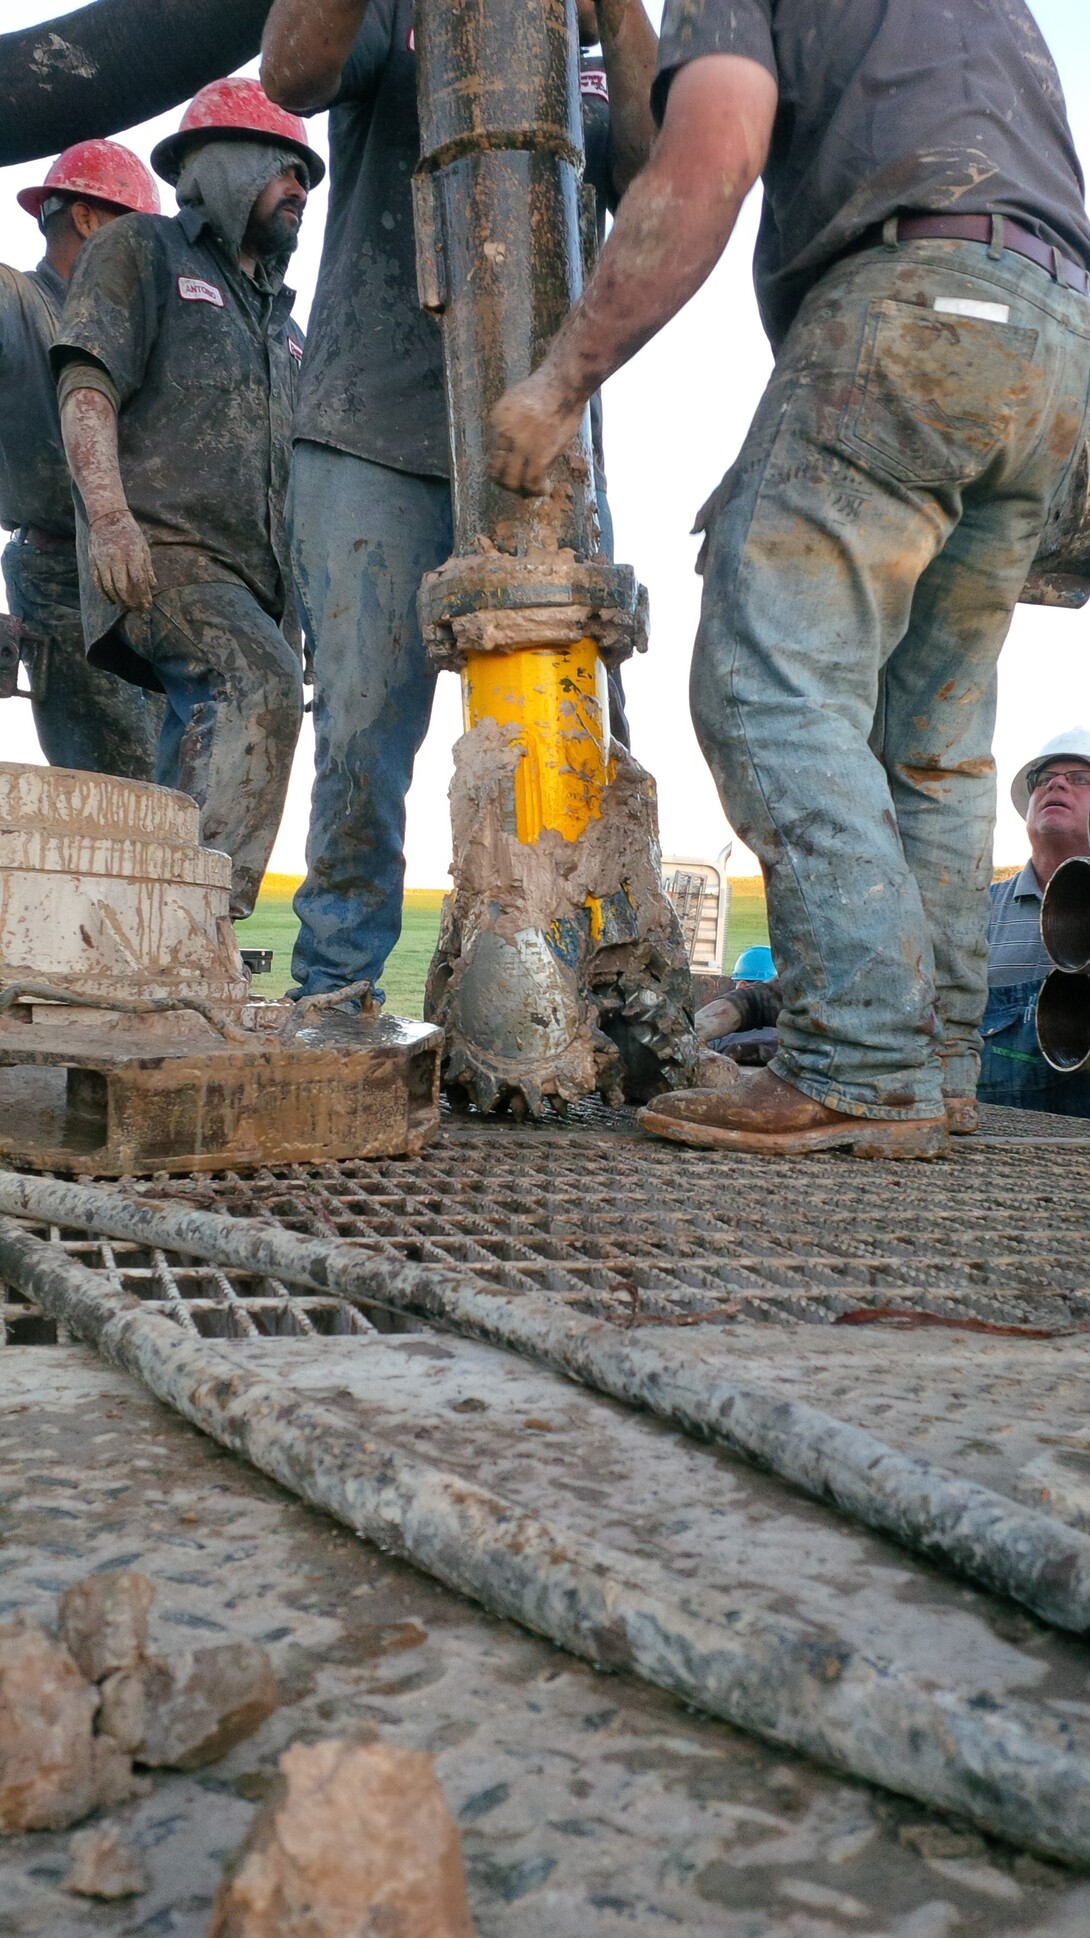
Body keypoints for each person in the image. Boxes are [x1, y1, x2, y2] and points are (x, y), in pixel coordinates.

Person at [490, 0, 1090, 1159]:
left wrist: (560, 381)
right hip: (1053, 352)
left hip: (910, 309)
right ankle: (933, 1068)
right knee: (934, 739)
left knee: (768, 692)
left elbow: (708, 158)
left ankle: (857, 1065)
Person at [260, 0, 659, 999]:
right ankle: (337, 1000)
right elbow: (289, 73)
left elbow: (654, 166)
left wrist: (614, 13)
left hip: (544, 461)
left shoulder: (588, 51)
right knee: (362, 737)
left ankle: (558, 1002)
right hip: (372, 431)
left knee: (565, 737)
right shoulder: (396, 15)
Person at [51, 80, 320, 920]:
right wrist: (110, 516)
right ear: (221, 167)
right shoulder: (144, 250)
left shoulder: (284, 319)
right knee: (255, 687)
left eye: (309, 177)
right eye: (284, 169)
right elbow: (86, 382)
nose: (300, 191)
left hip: (256, 586)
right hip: (160, 554)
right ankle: (198, 925)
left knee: (197, 747)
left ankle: (140, 932)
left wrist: (302, 607)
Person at [1, 141, 163, 778]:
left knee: (176, 801)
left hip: (146, 575)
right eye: (137, 232)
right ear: (88, 218)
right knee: (116, 791)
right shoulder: (15, 302)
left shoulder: (129, 326)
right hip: (58, 578)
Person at [979, 731, 1090, 1116]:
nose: (1056, 783)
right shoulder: (975, 913)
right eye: (1043, 780)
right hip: (993, 1145)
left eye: (1080, 778)